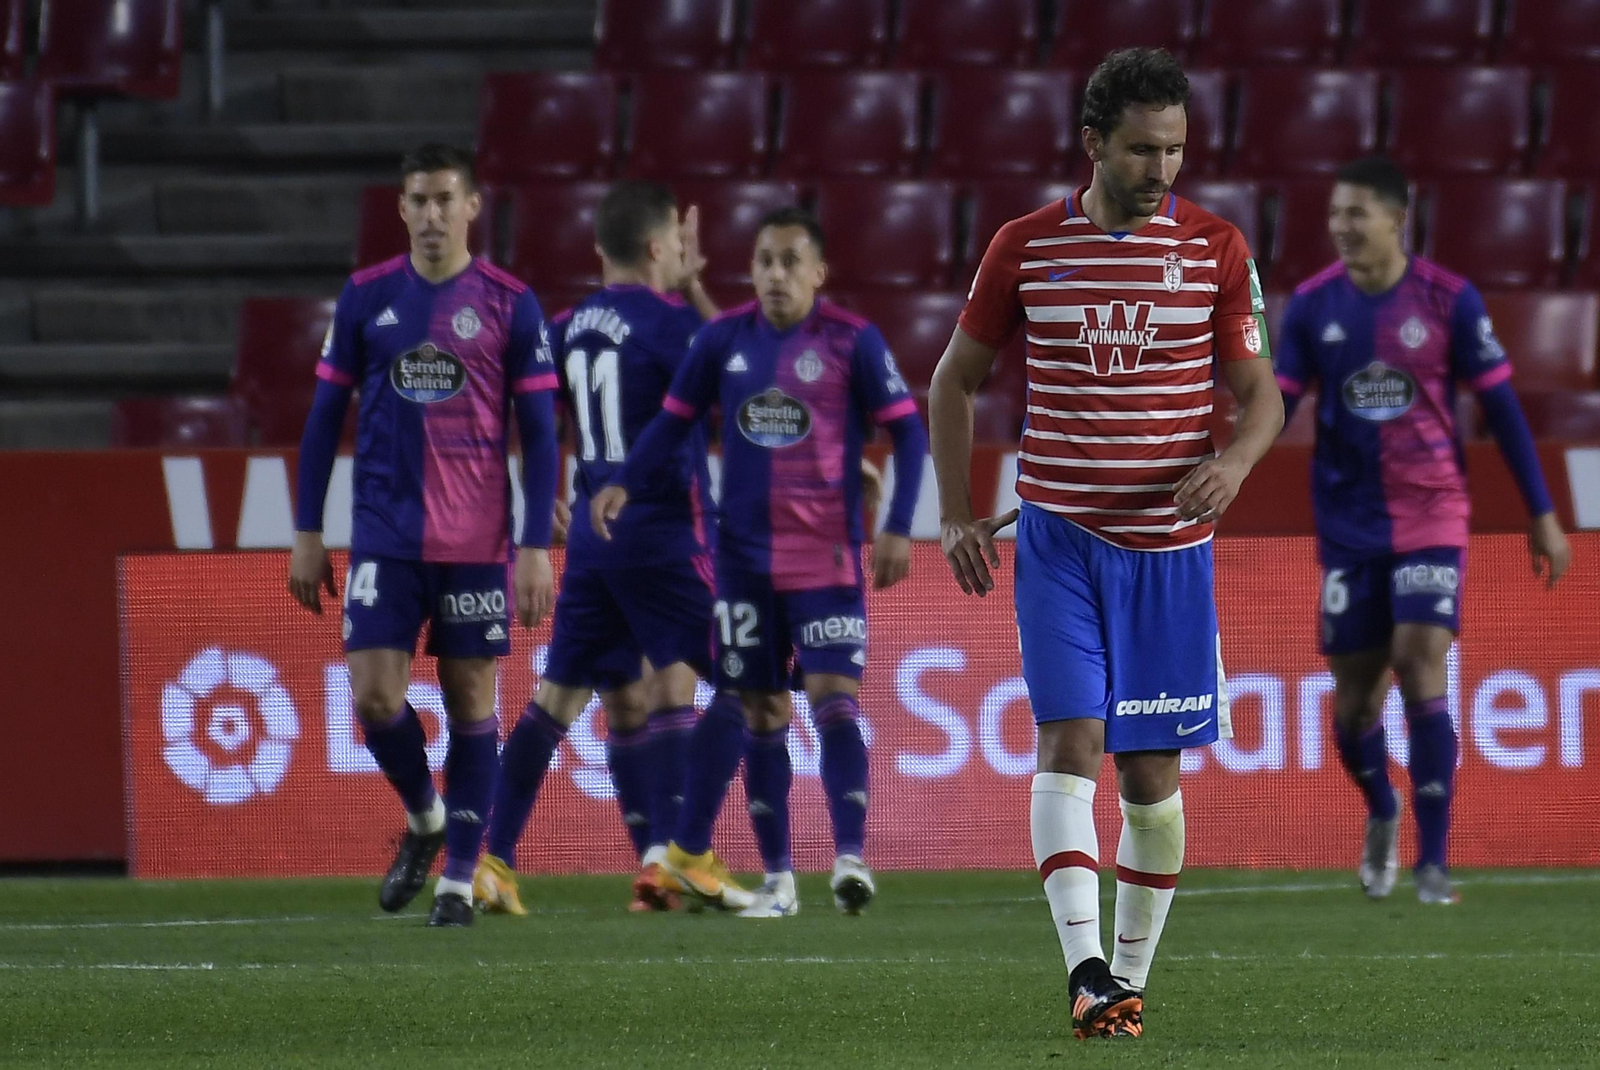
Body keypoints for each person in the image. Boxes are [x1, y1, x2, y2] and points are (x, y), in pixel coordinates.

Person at [929, 48, 1282, 1038]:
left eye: (1174, 149)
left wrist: (1236, 465)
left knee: (1148, 777)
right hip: (1060, 541)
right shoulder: (1024, 247)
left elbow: (1261, 396)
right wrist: (956, 511)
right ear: (1092, 144)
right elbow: (950, 381)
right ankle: (1085, 967)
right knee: (1070, 740)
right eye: (1140, 150)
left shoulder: (1216, 247)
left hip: (1168, 552)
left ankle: (1125, 979)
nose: (1162, 169)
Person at [593, 207, 928, 918]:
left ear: (818, 272)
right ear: (751, 270)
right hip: (743, 564)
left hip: (826, 563)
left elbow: (910, 436)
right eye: (764, 261)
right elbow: (673, 421)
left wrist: (898, 526)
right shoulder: (722, 340)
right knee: (752, 702)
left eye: (790, 261)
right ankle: (771, 878)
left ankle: (849, 858)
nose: (776, 274)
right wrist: (622, 479)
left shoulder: (852, 342)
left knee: (835, 699)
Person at [1273, 155, 1571, 906]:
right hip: (1349, 524)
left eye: (1357, 213)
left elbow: (1501, 412)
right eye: (1336, 213)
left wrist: (1542, 515)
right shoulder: (1312, 308)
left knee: (1420, 656)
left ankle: (1434, 864)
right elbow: (1274, 403)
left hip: (1433, 511)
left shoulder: (1450, 301)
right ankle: (1382, 808)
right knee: (1354, 707)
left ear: (1396, 218)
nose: (1342, 226)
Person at [288, 144, 561, 927]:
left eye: (446, 199)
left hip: (478, 541)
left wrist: (536, 545)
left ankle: (459, 879)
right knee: (375, 697)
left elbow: (541, 436)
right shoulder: (365, 297)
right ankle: (425, 818)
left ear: (473, 206)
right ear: (401, 210)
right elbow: (321, 421)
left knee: (472, 700)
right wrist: (308, 531)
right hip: (385, 534)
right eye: (418, 201)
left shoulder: (511, 303)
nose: (432, 214)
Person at [471, 180, 728, 916]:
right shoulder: (672, 323)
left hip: (591, 538)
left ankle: (494, 859)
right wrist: (697, 290)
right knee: (747, 679)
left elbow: (532, 423)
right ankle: (685, 854)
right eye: (676, 245)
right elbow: (746, 371)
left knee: (557, 699)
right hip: (662, 531)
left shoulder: (566, 324)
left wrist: (545, 501)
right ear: (657, 249)